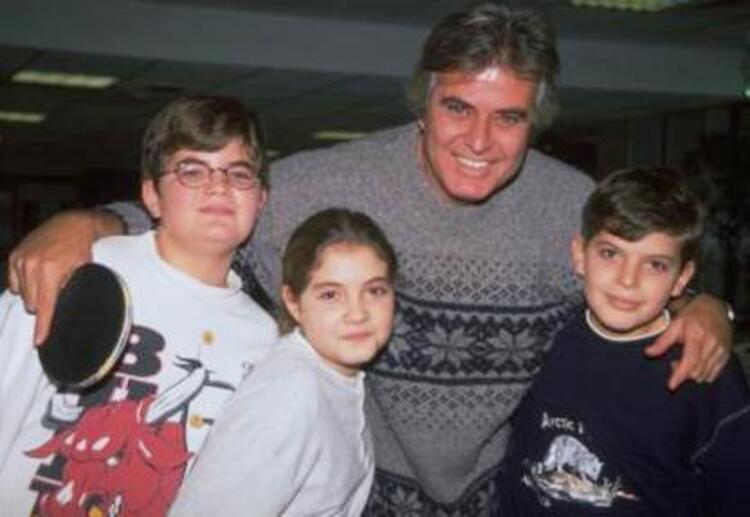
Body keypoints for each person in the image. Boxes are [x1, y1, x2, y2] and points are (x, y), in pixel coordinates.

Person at [5, 3, 733, 514]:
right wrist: (90, 222)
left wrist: (707, 307)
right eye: (458, 108)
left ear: (533, 122)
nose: (479, 141)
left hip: (501, 496)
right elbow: (214, 212)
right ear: (424, 103)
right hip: (364, 493)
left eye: (508, 117)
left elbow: (640, 264)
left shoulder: (570, 205)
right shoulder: (332, 184)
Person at [0, 95, 278, 515]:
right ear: (152, 196)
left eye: (239, 174)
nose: (219, 186)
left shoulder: (263, 337)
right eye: (192, 171)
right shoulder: (79, 268)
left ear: (261, 200)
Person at [495, 167, 750, 517]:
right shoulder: (542, 336)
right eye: (610, 254)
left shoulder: (703, 362)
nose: (628, 280)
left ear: (682, 278)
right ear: (580, 255)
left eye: (655, 265)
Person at [170, 208, 398, 515]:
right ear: (294, 302)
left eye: (375, 291)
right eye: (330, 295)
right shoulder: (290, 395)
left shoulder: (335, 379)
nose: (358, 313)